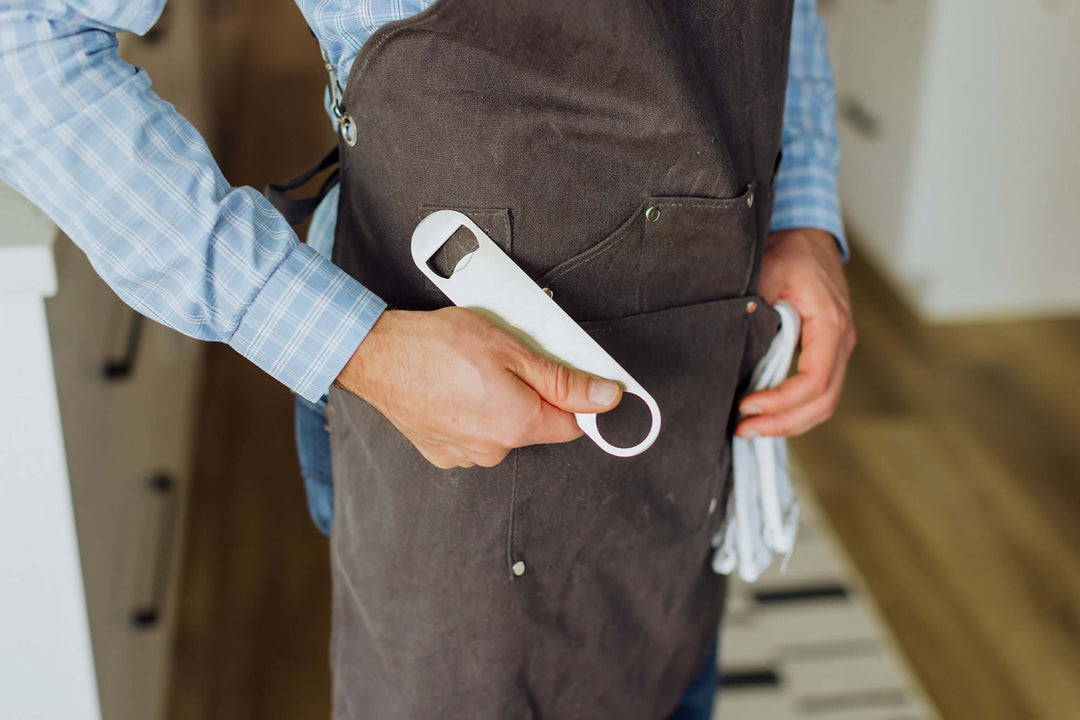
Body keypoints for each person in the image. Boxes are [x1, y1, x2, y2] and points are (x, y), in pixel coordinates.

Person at [0, 0, 856, 717]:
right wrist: (350, 345)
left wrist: (803, 205)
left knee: (664, 671)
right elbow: (24, 38)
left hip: (700, 388)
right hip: (455, 451)